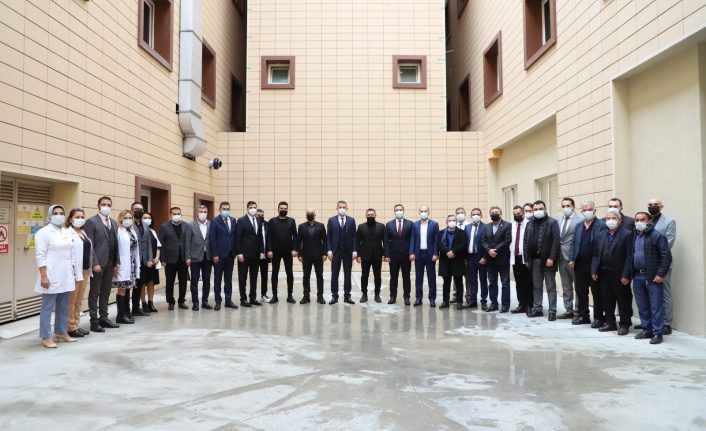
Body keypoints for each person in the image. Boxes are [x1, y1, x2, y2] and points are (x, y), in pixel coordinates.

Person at [35, 205, 76, 348]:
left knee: (63, 305)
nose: (59, 215)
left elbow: (71, 253)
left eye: (61, 213)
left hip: (65, 274)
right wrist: (43, 276)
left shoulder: (66, 232)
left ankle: (61, 331)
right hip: (50, 274)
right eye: (55, 213)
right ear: (50, 215)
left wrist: (72, 270)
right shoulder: (43, 232)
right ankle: (46, 335)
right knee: (47, 307)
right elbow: (40, 256)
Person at [630, 212, 672, 344]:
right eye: (637, 220)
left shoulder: (657, 236)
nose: (639, 222)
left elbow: (666, 256)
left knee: (656, 307)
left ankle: (658, 333)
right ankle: (647, 330)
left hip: (652, 277)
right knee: (642, 306)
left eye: (642, 220)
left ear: (649, 222)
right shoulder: (634, 235)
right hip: (637, 275)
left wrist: (660, 274)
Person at [591, 210, 633, 335]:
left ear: (620, 220)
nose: (611, 220)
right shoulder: (600, 235)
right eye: (608, 218)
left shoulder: (627, 234)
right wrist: (594, 270)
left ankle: (624, 324)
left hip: (620, 274)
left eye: (614, 218)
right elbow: (596, 254)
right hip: (603, 272)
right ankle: (610, 323)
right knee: (606, 299)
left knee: (623, 299)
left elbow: (629, 256)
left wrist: (626, 274)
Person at [84, 196, 120, 332]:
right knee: (95, 292)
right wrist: (94, 263)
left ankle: (104, 318)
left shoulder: (113, 222)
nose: (106, 207)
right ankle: (94, 321)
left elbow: (115, 243)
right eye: (103, 204)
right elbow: (90, 244)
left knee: (106, 292)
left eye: (108, 205)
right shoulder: (91, 222)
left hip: (110, 262)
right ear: (98, 206)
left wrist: (117, 262)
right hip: (98, 263)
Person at [568, 201, 606, 328]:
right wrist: (572, 258)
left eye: (590, 209)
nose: (587, 212)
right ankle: (584, 316)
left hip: (594, 265)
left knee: (597, 292)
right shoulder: (579, 225)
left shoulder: (601, 225)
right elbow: (573, 243)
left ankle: (598, 318)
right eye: (585, 210)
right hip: (580, 264)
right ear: (581, 211)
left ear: (595, 210)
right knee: (581, 291)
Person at [524, 200, 560, 321]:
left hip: (547, 260)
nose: (538, 211)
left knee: (550, 287)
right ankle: (538, 308)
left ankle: (552, 311)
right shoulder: (529, 223)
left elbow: (556, 241)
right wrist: (526, 258)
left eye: (540, 209)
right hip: (534, 260)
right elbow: (525, 241)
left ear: (545, 209)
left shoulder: (552, 222)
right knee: (537, 286)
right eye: (536, 209)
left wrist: (551, 258)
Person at [66, 208, 97, 338]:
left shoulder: (83, 232)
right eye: (77, 217)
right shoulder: (68, 233)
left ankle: (76, 325)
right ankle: (70, 327)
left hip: (84, 270)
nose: (80, 219)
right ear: (70, 219)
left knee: (79, 300)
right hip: (74, 271)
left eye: (82, 217)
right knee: (72, 300)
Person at [647, 198, 676, 335]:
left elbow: (669, 242)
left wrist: (649, 248)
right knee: (649, 293)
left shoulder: (669, 221)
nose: (652, 206)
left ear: (661, 206)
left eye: (655, 205)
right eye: (650, 205)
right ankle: (650, 321)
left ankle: (666, 323)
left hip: (662, 263)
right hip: (647, 263)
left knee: (665, 294)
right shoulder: (645, 220)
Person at [481, 206, 512, 312]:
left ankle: (505, 305)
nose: (494, 214)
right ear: (490, 214)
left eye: (496, 212)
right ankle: (494, 304)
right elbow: (483, 241)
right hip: (490, 260)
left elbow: (507, 241)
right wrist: (489, 250)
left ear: (500, 213)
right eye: (492, 212)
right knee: (492, 283)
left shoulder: (507, 225)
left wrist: (495, 250)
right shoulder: (487, 226)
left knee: (505, 283)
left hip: (503, 259)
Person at [326, 200, 357, 305]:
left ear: (347, 208)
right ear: (337, 208)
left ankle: (347, 296)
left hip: (348, 252)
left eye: (344, 207)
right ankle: (334, 296)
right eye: (340, 207)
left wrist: (354, 250)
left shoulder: (351, 220)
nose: (342, 209)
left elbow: (354, 236)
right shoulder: (331, 220)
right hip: (336, 251)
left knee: (348, 275)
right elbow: (328, 236)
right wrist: (329, 250)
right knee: (334, 274)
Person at [556, 197, 582, 320]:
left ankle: (578, 311)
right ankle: (569, 310)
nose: (565, 208)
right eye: (563, 206)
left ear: (573, 207)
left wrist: (575, 257)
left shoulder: (580, 219)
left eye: (568, 206)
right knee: (566, 286)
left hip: (573, 258)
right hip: (561, 257)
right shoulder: (559, 219)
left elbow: (579, 240)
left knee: (578, 285)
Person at [266, 201, 297, 304]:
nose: (283, 210)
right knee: (275, 273)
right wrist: (269, 250)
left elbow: (295, 236)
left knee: (289, 273)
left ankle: (290, 296)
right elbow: (269, 237)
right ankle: (274, 296)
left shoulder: (292, 221)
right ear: (278, 210)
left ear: (287, 210)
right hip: (275, 252)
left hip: (288, 252)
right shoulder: (272, 221)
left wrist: (294, 249)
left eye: (285, 209)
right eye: (281, 208)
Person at [113, 210, 141, 324]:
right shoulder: (118, 231)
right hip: (122, 264)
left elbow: (136, 249)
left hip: (131, 264)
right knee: (122, 289)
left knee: (128, 288)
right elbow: (116, 249)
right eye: (125, 218)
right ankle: (121, 315)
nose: (128, 220)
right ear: (121, 219)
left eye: (130, 218)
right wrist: (116, 264)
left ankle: (126, 312)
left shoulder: (132, 231)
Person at [158, 207, 189, 310]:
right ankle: (170, 301)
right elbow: (161, 244)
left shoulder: (186, 226)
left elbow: (188, 242)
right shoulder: (164, 226)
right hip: (170, 259)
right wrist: (162, 259)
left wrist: (188, 257)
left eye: (178, 213)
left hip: (183, 259)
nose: (177, 215)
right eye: (174, 214)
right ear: (170, 215)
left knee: (183, 281)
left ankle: (181, 301)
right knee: (170, 281)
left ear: (181, 214)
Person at [210, 201, 238, 310]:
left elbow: (234, 236)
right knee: (217, 279)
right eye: (224, 209)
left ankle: (228, 300)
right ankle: (218, 301)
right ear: (220, 209)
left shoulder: (233, 220)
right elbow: (212, 239)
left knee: (228, 279)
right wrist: (215, 254)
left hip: (230, 254)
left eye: (227, 209)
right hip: (219, 255)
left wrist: (235, 252)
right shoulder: (214, 221)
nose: (226, 211)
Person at [236, 201, 265, 307]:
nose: (253, 209)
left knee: (254, 277)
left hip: (256, 254)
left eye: (254, 207)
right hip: (244, 254)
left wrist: (261, 251)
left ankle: (253, 298)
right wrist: (239, 253)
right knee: (243, 277)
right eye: (251, 207)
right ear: (247, 209)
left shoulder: (258, 220)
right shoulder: (241, 221)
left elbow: (260, 237)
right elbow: (238, 238)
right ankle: (243, 299)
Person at [296, 208, 327, 304]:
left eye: (312, 213)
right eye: (308, 213)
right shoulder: (301, 226)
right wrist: (299, 254)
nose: (310, 214)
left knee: (319, 276)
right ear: (306, 215)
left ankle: (320, 296)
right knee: (306, 276)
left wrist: (325, 253)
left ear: (315, 214)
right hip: (306, 255)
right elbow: (298, 241)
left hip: (318, 255)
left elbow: (325, 241)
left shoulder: (321, 226)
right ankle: (306, 296)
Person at [383, 204, 413, 305]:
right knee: (393, 277)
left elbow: (412, 239)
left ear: (403, 211)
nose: (399, 211)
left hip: (406, 255)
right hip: (393, 255)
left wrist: (411, 253)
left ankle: (407, 297)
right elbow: (386, 241)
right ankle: (393, 296)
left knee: (406, 277)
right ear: (394, 212)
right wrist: (387, 255)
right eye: (397, 210)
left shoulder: (410, 224)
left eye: (400, 209)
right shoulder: (389, 224)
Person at [409, 205, 439, 307]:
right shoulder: (415, 224)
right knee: (418, 277)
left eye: (425, 211)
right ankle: (418, 298)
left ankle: (432, 299)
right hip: (419, 254)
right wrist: (411, 252)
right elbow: (413, 239)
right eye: (422, 211)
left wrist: (436, 253)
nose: (423, 213)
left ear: (429, 212)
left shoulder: (434, 224)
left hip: (430, 254)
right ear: (419, 213)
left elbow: (436, 240)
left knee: (431, 277)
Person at [437, 215, 468, 309]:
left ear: (456, 222)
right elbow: (439, 245)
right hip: (445, 260)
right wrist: (447, 252)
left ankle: (459, 302)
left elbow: (464, 244)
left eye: (454, 220)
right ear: (446, 222)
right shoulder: (441, 233)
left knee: (459, 282)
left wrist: (453, 252)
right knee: (446, 282)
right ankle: (445, 301)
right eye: (450, 220)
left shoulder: (462, 233)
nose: (452, 222)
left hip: (457, 260)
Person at [185, 205, 212, 310]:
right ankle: (195, 302)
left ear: (207, 213)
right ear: (197, 213)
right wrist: (188, 257)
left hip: (207, 256)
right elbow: (187, 242)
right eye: (201, 211)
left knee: (207, 280)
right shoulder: (191, 225)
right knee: (194, 280)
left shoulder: (211, 224)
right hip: (194, 256)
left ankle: (205, 301)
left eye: (205, 211)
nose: (203, 213)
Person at [356, 208, 384, 303]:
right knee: (364, 276)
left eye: (372, 215)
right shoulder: (361, 227)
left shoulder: (381, 226)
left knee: (378, 276)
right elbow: (357, 241)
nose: (370, 216)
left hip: (377, 255)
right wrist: (358, 255)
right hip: (365, 255)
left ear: (375, 215)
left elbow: (385, 241)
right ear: (366, 216)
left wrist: (384, 254)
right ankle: (364, 295)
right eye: (368, 215)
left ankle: (377, 295)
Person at [129, 201, 151, 317]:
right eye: (136, 209)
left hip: (143, 260)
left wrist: (150, 259)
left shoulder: (146, 226)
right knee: (129, 285)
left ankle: (136, 308)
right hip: (132, 260)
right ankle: (125, 309)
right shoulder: (129, 224)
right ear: (131, 210)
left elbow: (148, 243)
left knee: (140, 284)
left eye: (141, 209)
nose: (139, 211)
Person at [509, 205, 532, 314]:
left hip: (526, 258)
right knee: (519, 283)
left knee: (528, 282)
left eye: (519, 214)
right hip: (516, 257)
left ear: (523, 213)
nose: (517, 216)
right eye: (515, 214)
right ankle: (521, 304)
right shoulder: (512, 226)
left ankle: (529, 305)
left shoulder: (529, 224)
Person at [465, 208, 487, 309]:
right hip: (470, 257)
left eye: (478, 214)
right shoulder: (467, 227)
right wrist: (465, 258)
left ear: (481, 216)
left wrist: (485, 257)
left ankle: (483, 301)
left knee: (483, 280)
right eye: (474, 214)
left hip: (481, 257)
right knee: (472, 280)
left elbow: (488, 243)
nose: (476, 216)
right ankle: (473, 300)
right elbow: (465, 243)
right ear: (470, 216)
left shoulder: (485, 227)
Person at [140, 211, 161, 313]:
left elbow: (158, 246)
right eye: (145, 217)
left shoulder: (153, 231)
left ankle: (150, 303)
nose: (147, 219)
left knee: (151, 281)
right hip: (143, 262)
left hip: (153, 262)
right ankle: (143, 303)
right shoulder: (139, 231)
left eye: (149, 218)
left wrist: (157, 257)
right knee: (142, 282)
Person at [452, 207, 472, 305]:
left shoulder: (469, 226)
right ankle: (456, 295)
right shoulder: (453, 225)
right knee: (456, 276)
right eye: (458, 213)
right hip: (456, 256)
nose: (460, 214)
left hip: (467, 255)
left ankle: (468, 296)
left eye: (462, 212)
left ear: (465, 213)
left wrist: (466, 257)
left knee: (468, 277)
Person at [256, 209, 270, 301]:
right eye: (259, 215)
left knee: (264, 276)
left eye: (262, 215)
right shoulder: (253, 224)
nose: (261, 217)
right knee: (254, 276)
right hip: (255, 254)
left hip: (265, 254)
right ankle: (253, 296)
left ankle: (264, 294)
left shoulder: (267, 224)